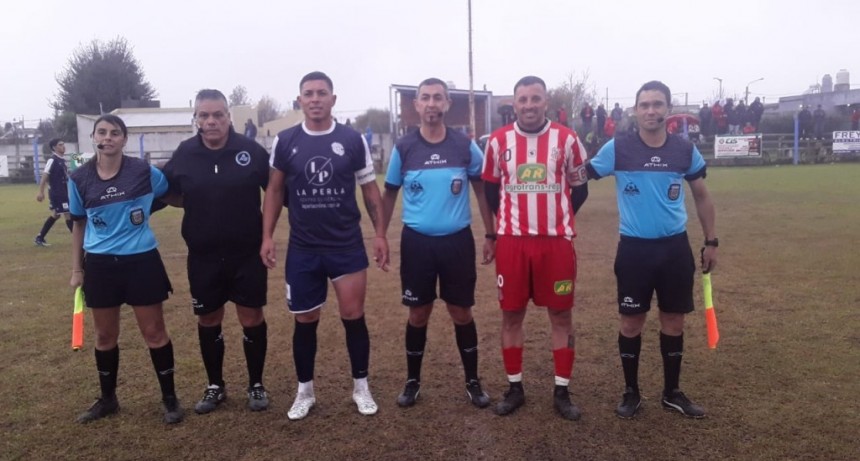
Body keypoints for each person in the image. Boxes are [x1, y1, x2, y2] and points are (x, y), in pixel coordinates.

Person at [584, 80, 717, 419]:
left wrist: (711, 240)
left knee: (674, 319)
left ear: (667, 110)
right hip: (634, 251)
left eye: (657, 104)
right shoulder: (618, 148)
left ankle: (672, 392)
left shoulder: (684, 150)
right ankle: (631, 391)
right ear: (635, 110)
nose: (651, 110)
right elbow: (579, 176)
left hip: (675, 249)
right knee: (631, 322)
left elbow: (702, 195)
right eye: (644, 105)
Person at [261, 71, 389, 420]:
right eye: (308, 93)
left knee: (353, 316)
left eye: (321, 93)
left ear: (333, 99)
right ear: (299, 100)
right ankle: (305, 391)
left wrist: (379, 234)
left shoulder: (351, 139)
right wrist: (267, 235)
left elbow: (369, 190)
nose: (315, 99)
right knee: (305, 320)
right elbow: (274, 190)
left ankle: (361, 386)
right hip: (303, 248)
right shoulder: (285, 141)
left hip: (345, 246)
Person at [381, 78, 495, 409]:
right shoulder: (403, 147)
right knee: (419, 313)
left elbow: (481, 190)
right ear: (416, 105)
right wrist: (379, 236)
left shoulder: (465, 145)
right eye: (425, 98)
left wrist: (491, 234)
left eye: (438, 98)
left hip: (457, 242)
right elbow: (389, 194)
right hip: (417, 243)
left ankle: (473, 382)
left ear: (446, 104)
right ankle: (412, 381)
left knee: (461, 311)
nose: (431, 104)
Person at [481, 75, 589, 421]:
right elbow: (490, 191)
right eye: (523, 99)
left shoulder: (568, 139)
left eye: (535, 99)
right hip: (513, 245)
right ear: (514, 103)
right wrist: (507, 226)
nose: (529, 105)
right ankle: (515, 387)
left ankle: (562, 391)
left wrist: (557, 218)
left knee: (561, 314)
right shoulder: (498, 142)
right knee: (511, 315)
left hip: (556, 245)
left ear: (546, 102)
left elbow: (580, 188)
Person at [161, 89, 272, 415]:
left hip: (247, 254)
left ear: (228, 117)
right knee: (208, 318)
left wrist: (268, 235)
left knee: (251, 317)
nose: (211, 121)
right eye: (204, 115)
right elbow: (164, 189)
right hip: (204, 256)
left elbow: (276, 192)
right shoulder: (184, 153)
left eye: (218, 115)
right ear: (196, 118)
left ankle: (256, 383)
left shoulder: (250, 151)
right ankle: (215, 386)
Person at [68, 114, 182, 424]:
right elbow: (78, 223)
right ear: (94, 137)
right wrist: (77, 269)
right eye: (102, 132)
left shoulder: (144, 172)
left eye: (114, 133)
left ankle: (169, 397)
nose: (107, 137)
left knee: (154, 333)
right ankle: (108, 399)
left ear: (124, 139)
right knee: (105, 336)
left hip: (141, 262)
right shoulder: (79, 179)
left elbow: (172, 194)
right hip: (101, 266)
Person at [34, 138, 72, 246]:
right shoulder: (52, 160)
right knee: (68, 214)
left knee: (56, 215)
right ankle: (79, 240)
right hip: (57, 193)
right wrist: (41, 192)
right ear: (54, 147)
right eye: (60, 145)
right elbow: (45, 176)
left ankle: (40, 237)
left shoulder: (62, 161)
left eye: (63, 144)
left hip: (63, 192)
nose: (63, 146)